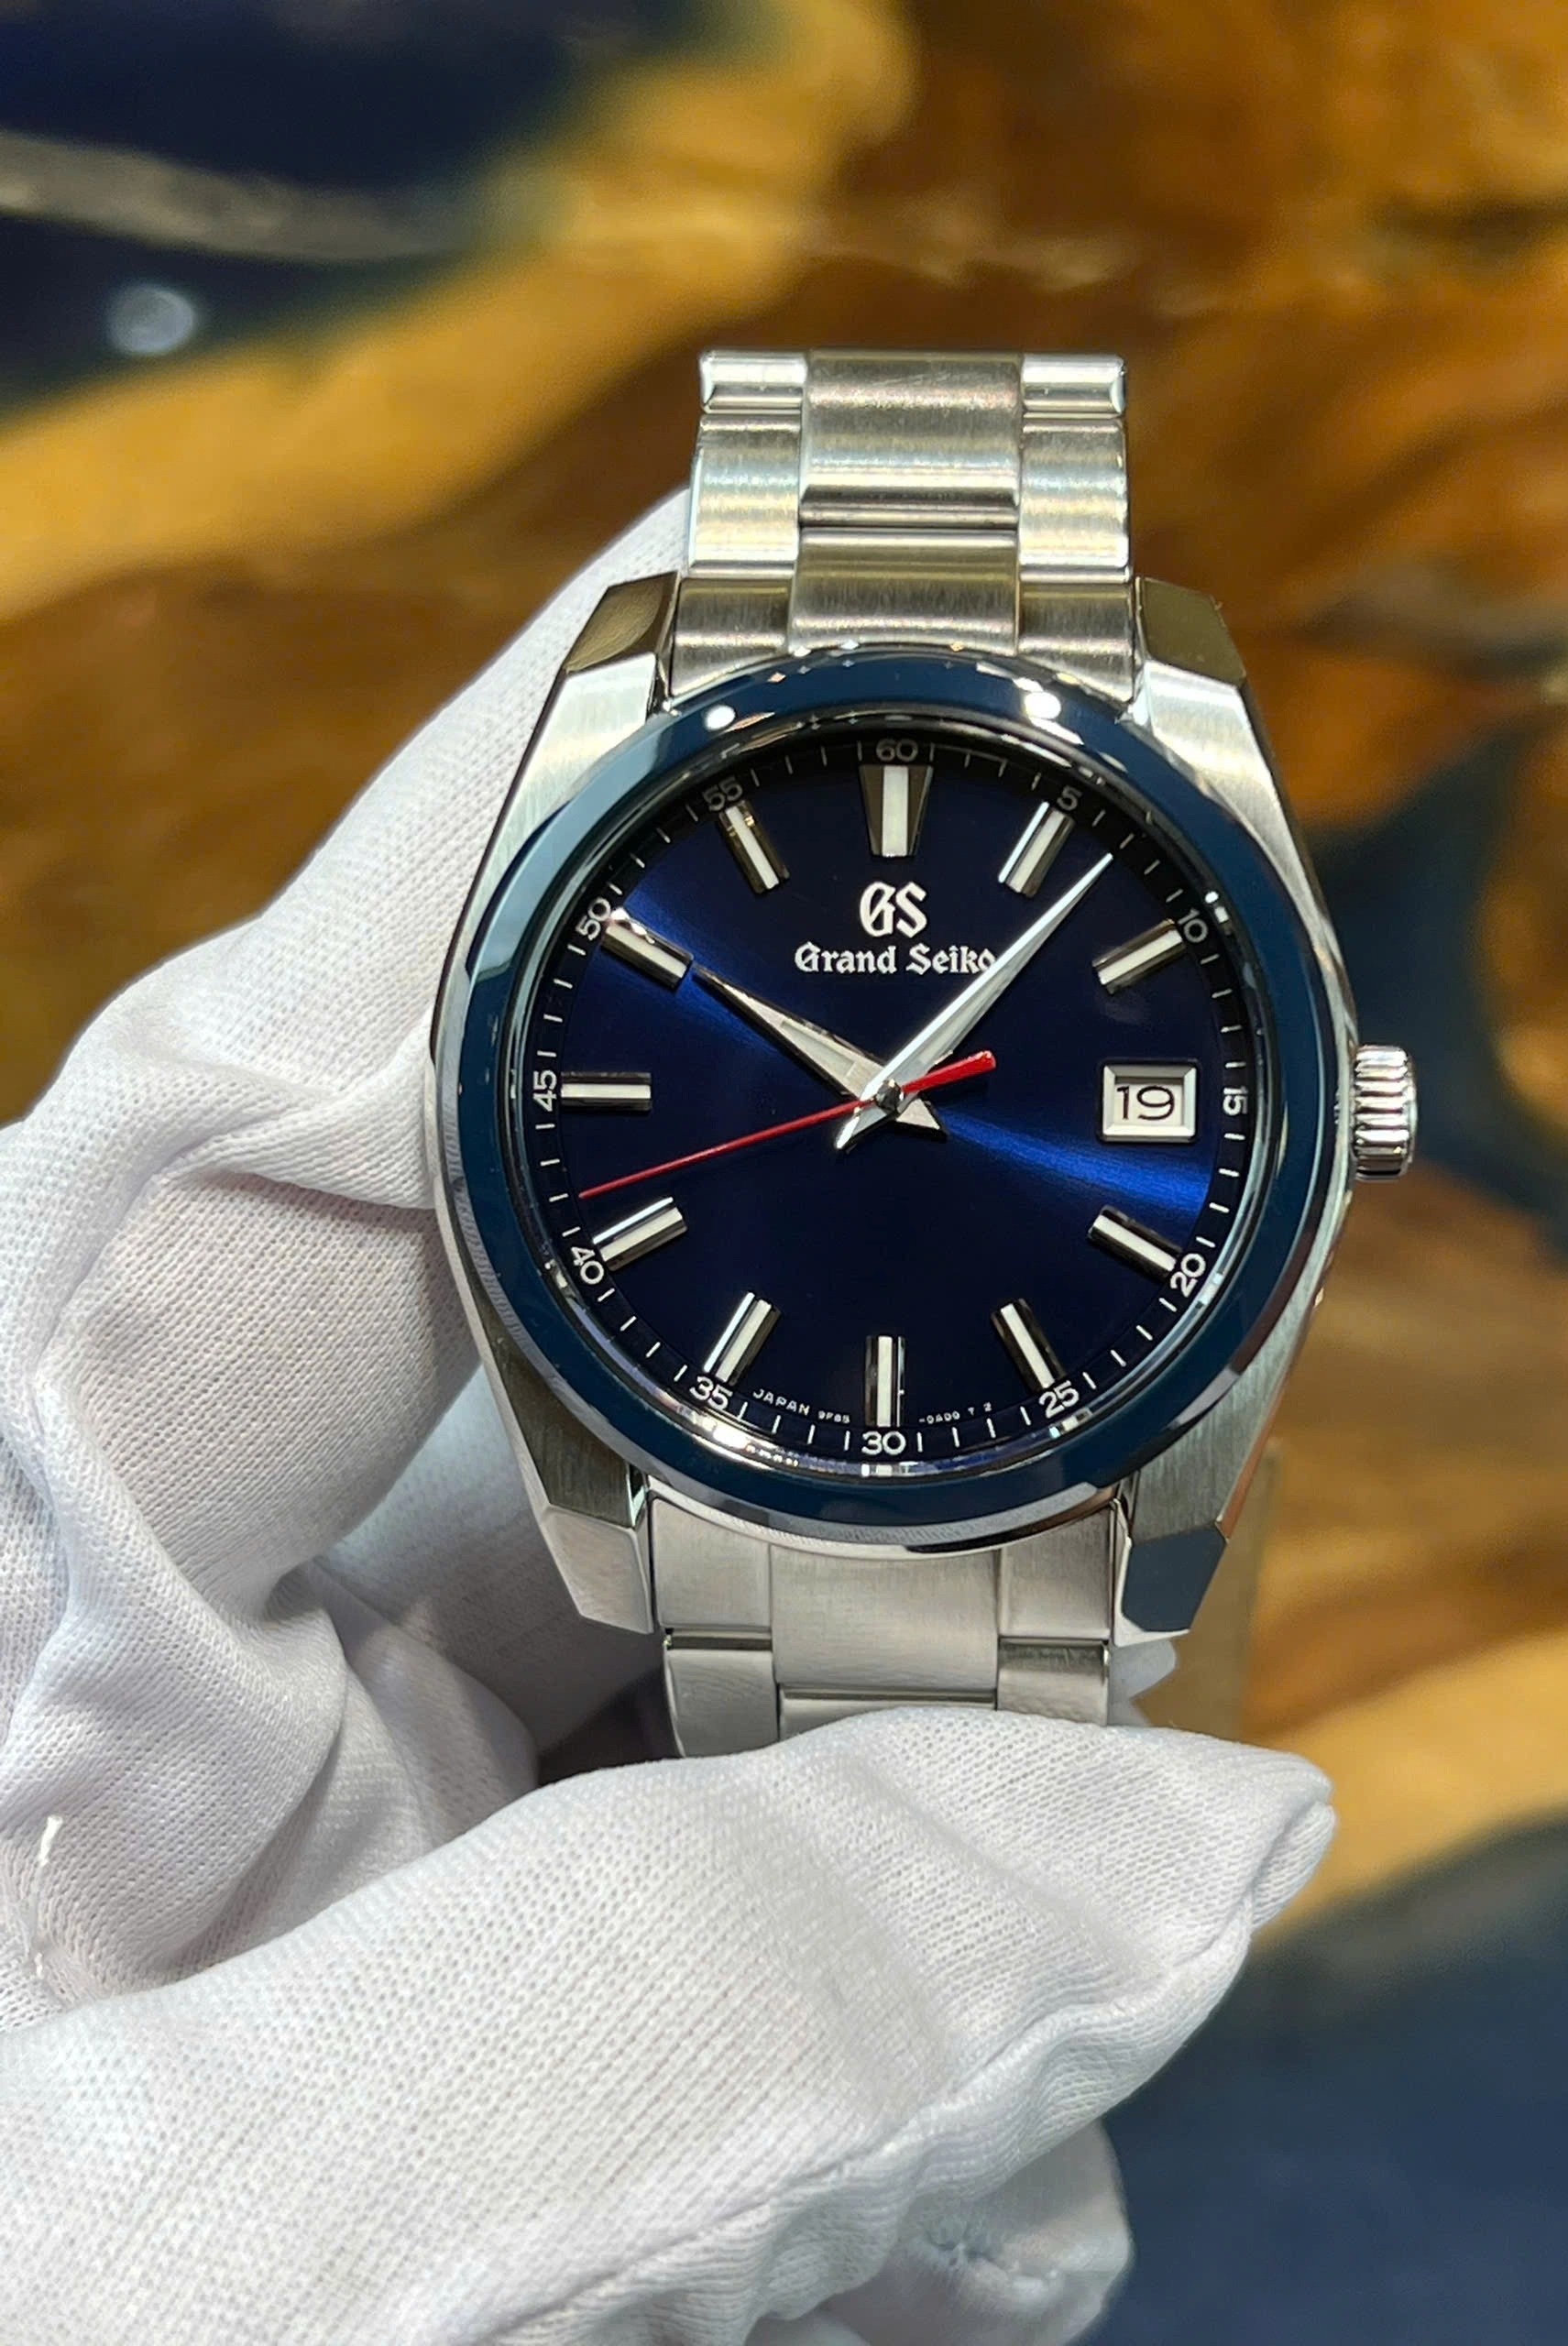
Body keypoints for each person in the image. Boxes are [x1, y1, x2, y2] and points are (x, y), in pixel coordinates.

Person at [0, 497, 1332, 2346]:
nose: (883, 1104)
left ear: (1349, 1113)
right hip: (734, 1407)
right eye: (856, 1087)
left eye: (913, 1083)